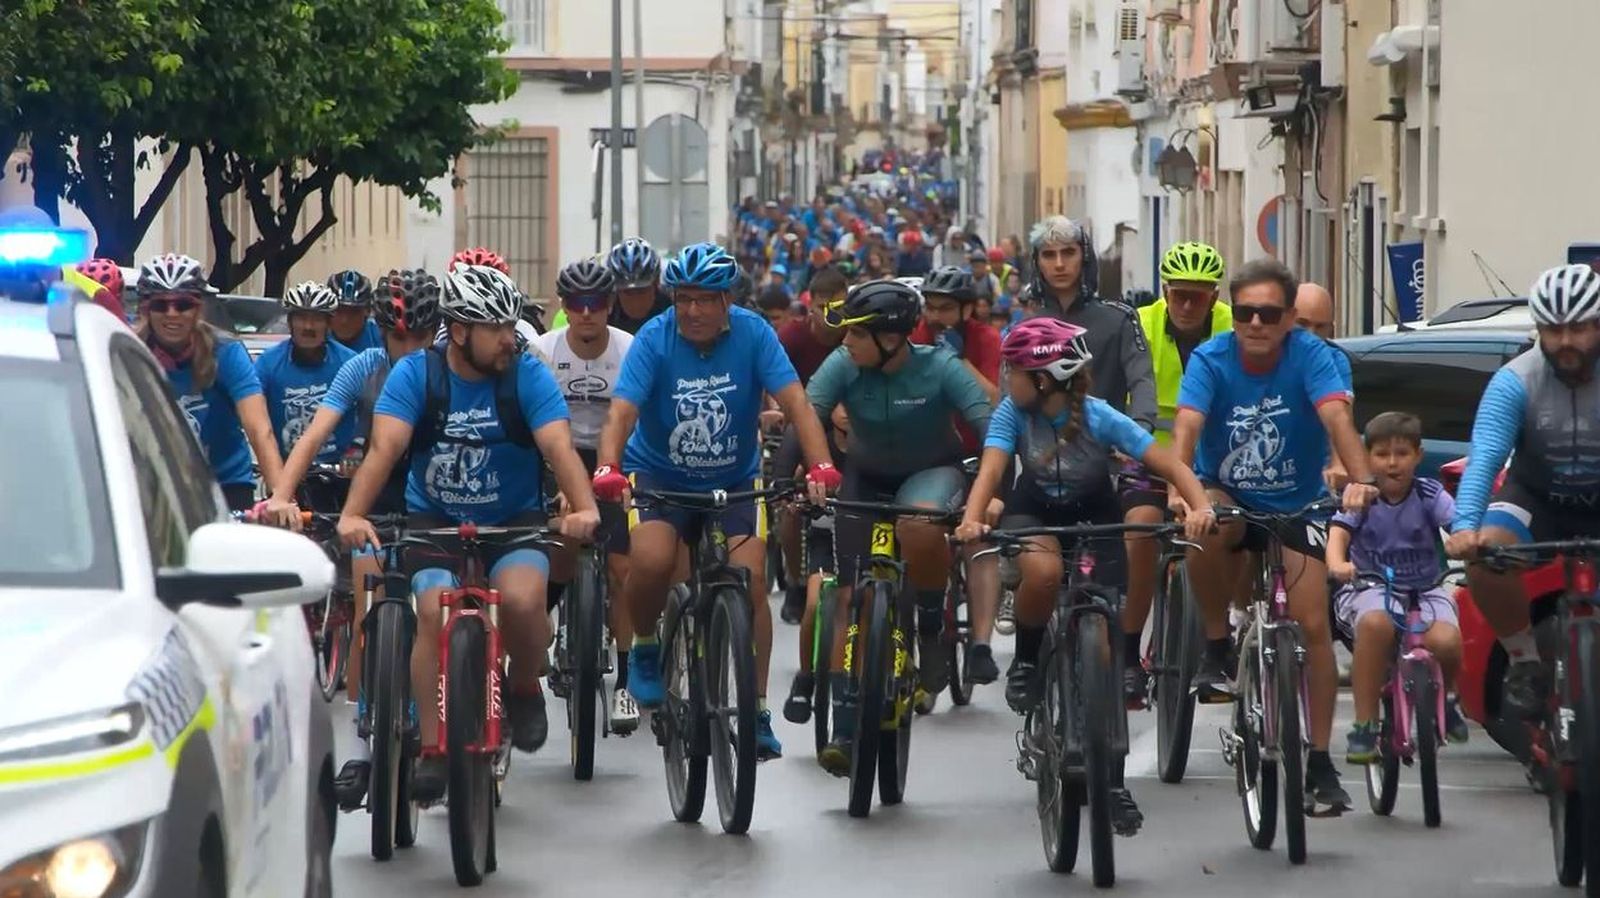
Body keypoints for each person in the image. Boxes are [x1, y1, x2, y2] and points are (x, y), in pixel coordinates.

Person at [336, 263, 600, 803]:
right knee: (431, 611)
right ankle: (434, 748)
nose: (510, 339)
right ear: (459, 332)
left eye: (510, 326)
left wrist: (583, 507)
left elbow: (558, 448)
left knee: (526, 602)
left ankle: (524, 687)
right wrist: (353, 513)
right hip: (435, 521)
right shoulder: (417, 376)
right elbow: (385, 449)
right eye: (495, 329)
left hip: (513, 521)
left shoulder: (525, 374)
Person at [954, 316, 1217, 837]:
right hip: (1036, 512)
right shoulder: (1013, 413)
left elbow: (1167, 463)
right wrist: (971, 517)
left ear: (1046, 379)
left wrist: (1200, 504)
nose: (1006, 379)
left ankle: (1113, 784)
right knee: (1044, 572)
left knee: (1102, 645)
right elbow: (991, 468)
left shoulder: (1099, 417)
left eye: (1015, 371)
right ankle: (1028, 660)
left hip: (1096, 513)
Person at [590, 242, 842, 761]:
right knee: (653, 560)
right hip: (659, 476)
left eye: (706, 299)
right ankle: (643, 644)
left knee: (749, 583)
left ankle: (758, 710)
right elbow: (621, 413)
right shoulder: (656, 339)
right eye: (683, 298)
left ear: (728, 301)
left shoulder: (755, 334)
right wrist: (609, 468)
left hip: (736, 481)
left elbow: (796, 403)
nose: (693, 310)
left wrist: (819, 466)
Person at [1171, 257, 1378, 815]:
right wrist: (1181, 489)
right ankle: (1216, 645)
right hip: (1227, 490)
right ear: (1232, 316)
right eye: (1244, 313)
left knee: (1313, 627)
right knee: (1209, 523)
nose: (1256, 324)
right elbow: (1186, 428)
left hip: (1299, 499)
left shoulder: (1312, 356)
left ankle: (1319, 762)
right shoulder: (1211, 359)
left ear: (1289, 318)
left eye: (1268, 313)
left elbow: (1338, 418)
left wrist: (1360, 479)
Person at [265, 268, 441, 809]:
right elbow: (315, 432)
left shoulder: (450, 371)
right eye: (397, 338)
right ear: (381, 333)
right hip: (376, 504)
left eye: (418, 338)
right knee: (369, 597)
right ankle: (368, 739)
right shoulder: (362, 368)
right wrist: (281, 495)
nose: (407, 350)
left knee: (442, 606)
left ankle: (454, 715)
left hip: (435, 505)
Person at [803, 279, 993, 773]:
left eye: (857, 335)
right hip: (865, 478)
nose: (846, 343)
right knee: (850, 595)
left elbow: (991, 424)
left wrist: (992, 492)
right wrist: (798, 473)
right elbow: (808, 415)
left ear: (890, 338)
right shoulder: (845, 364)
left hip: (931, 471)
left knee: (920, 525)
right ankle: (844, 725)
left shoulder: (940, 366)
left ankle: (930, 625)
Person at [1445, 263, 1600, 719]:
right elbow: (1486, 457)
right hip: (1537, 499)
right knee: (1485, 555)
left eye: (1578, 328)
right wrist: (1465, 527)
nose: (1566, 342)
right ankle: (1524, 659)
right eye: (1553, 330)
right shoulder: (1515, 380)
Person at [531, 257, 640, 734]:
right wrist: (558, 484)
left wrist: (629, 476)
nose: (588, 313)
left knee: (621, 569)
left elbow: (638, 416)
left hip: (614, 455)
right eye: (578, 304)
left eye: (597, 303)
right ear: (565, 307)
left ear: (610, 306)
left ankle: (624, 680)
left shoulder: (630, 349)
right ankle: (544, 622)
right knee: (562, 548)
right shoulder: (542, 350)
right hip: (558, 451)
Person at [1121, 242, 1232, 706]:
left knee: (1221, 528)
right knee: (1141, 531)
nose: (1188, 305)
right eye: (1179, 295)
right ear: (1165, 290)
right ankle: (1128, 656)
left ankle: (1216, 648)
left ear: (1214, 294)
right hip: (1147, 454)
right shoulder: (1140, 326)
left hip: (1211, 456)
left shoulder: (1233, 325)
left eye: (1199, 296)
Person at [1327, 412, 1469, 763]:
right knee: (1376, 625)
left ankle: (1448, 700)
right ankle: (1364, 724)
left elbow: (1457, 523)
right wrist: (1337, 564)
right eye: (1382, 454)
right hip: (1371, 586)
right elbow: (1338, 533)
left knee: (1447, 642)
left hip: (1425, 588)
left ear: (1418, 456)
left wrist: (1462, 540)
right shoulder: (1362, 496)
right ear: (1367, 457)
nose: (1392, 463)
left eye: (1402, 453)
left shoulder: (1427, 493)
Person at [906, 265, 1005, 689]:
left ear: (968, 309)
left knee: (978, 536)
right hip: (927, 454)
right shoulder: (916, 336)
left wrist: (957, 361)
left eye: (947, 308)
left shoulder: (986, 340)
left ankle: (980, 645)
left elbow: (996, 397)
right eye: (932, 307)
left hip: (977, 452)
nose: (937, 316)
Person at [135, 253, 283, 512]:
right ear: (146, 310)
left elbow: (259, 429)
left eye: (183, 305)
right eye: (160, 305)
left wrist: (280, 498)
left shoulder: (226, 351)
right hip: (156, 486)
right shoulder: (130, 352)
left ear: (198, 309)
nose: (172, 314)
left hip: (225, 486)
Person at [772, 266, 849, 626]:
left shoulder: (856, 336)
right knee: (790, 509)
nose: (829, 315)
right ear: (810, 306)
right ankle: (795, 579)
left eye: (837, 306)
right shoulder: (792, 337)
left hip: (846, 431)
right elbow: (769, 381)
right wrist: (774, 411)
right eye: (822, 306)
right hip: (800, 427)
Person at [255, 282, 358, 507]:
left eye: (317, 319)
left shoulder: (350, 362)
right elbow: (256, 422)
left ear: (329, 323)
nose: (308, 326)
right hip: (285, 475)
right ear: (290, 322)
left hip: (339, 477)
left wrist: (357, 449)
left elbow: (370, 414)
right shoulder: (267, 364)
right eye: (301, 318)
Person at [607, 236, 671, 334]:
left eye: (642, 291)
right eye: (627, 292)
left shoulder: (672, 308)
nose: (635, 301)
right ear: (616, 291)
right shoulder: (605, 313)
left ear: (656, 283)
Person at [326, 269, 384, 352]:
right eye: (338, 311)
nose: (344, 320)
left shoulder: (381, 338)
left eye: (353, 312)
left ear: (367, 311)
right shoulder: (317, 337)